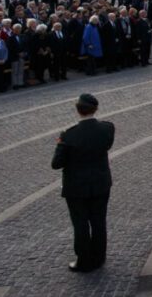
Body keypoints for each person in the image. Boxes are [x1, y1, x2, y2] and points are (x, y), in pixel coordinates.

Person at [51, 93, 115, 273]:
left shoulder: (69, 135)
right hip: (101, 183)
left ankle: (84, 260)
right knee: (98, 221)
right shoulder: (108, 128)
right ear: (96, 109)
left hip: (76, 187)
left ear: (78, 110)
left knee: (80, 224)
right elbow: (106, 146)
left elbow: (56, 164)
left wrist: (60, 144)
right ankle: (99, 256)